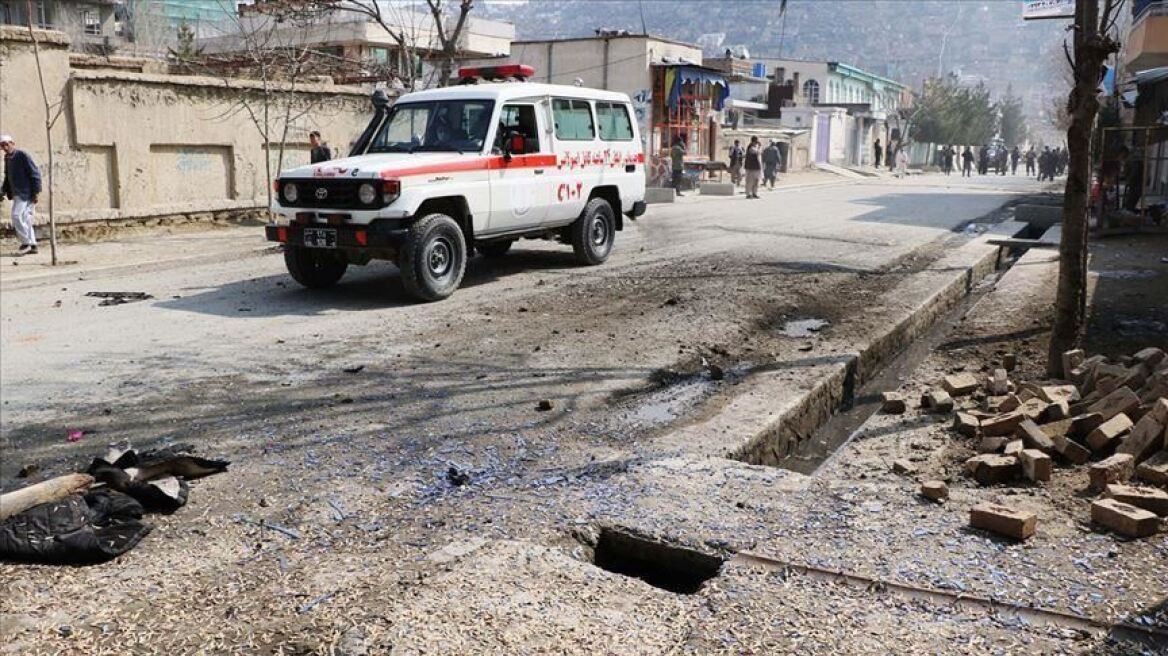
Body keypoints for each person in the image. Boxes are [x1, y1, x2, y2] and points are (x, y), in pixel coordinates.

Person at [1, 135, 42, 256]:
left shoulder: (22, 155)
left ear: (12, 143)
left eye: (6, 144)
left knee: (16, 216)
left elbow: (35, 174)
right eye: (2, 145)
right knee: (26, 219)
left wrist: (36, 192)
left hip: (27, 193)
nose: (5, 147)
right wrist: (2, 191)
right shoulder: (7, 158)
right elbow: (8, 178)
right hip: (16, 193)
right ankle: (33, 245)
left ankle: (26, 243)